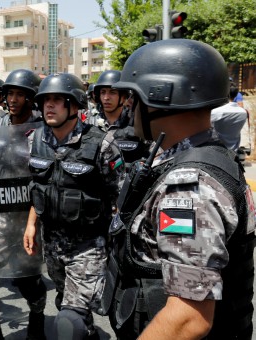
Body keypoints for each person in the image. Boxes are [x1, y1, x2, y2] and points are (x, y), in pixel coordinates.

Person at [106, 39, 255, 339]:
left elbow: (189, 317)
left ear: (160, 98)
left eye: (133, 98)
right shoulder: (205, 155)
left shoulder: (189, 185)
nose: (128, 106)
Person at [23, 73, 124, 340]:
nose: (49, 106)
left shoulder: (101, 144)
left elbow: (120, 198)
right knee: (66, 305)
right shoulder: (35, 140)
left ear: (74, 105)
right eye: (46, 101)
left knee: (69, 320)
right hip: (52, 244)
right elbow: (38, 187)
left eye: (58, 100)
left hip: (88, 246)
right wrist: (31, 225)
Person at [0, 69, 47, 339]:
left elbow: (44, 179)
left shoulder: (42, 131)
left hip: (30, 213)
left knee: (29, 281)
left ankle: (37, 320)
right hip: (0, 210)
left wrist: (33, 221)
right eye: (10, 93)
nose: (13, 99)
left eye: (20, 94)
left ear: (31, 98)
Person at [89, 70, 150, 166]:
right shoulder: (90, 122)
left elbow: (152, 155)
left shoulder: (138, 124)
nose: (106, 97)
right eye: (103, 92)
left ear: (123, 97)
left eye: (112, 92)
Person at [211, 85, 248, 152]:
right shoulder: (243, 112)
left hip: (216, 150)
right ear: (236, 94)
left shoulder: (215, 112)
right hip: (234, 150)